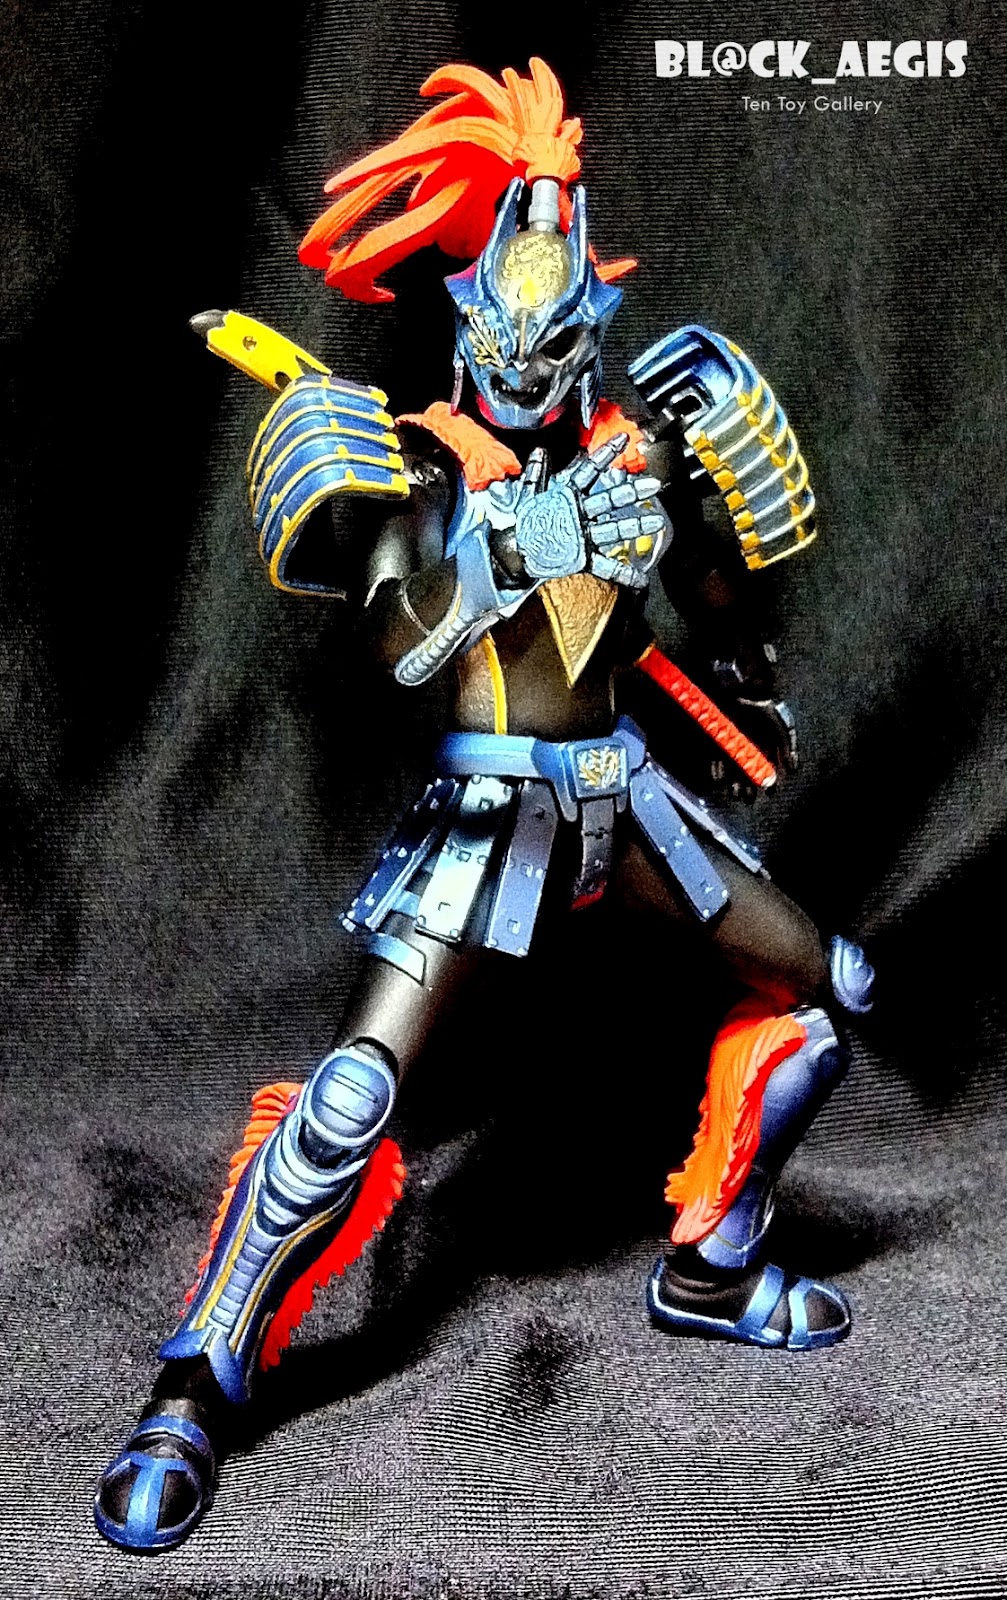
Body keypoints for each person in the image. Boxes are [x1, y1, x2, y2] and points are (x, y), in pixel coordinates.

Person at [94, 57, 874, 1553]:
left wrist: (735, 597)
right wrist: (508, 544)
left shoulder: (635, 451)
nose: (525, 365)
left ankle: (712, 1263)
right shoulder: (415, 469)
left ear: (590, 329)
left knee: (830, 988)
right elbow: (405, 649)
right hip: (487, 815)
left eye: (553, 340)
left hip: (626, 802)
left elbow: (711, 609)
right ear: (466, 324)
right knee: (350, 1099)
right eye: (503, 341)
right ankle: (192, 1389)